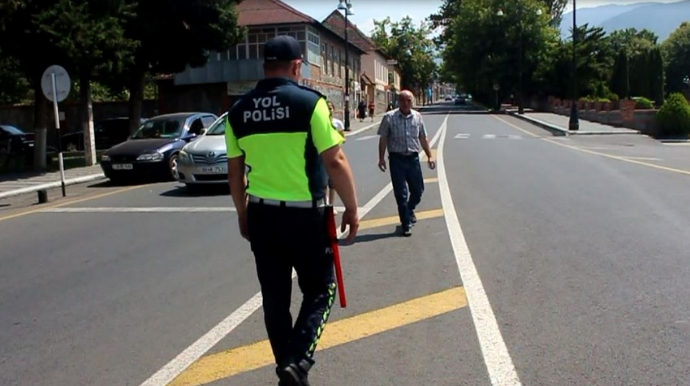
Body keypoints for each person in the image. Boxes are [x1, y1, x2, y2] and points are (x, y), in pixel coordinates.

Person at [225, 35, 360, 386]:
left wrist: (243, 213)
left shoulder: (238, 111)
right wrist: (352, 208)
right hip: (306, 218)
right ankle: (297, 360)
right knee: (321, 289)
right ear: (297, 65)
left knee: (274, 299)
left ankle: (288, 369)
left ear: (264, 66)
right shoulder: (310, 104)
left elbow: (235, 172)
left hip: (262, 216)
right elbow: (336, 160)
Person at [377, 90, 435, 237]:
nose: (406, 103)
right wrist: (381, 158)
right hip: (397, 159)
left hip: (413, 159)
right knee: (401, 194)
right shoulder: (389, 117)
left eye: (408, 100)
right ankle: (406, 222)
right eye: (403, 100)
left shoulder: (418, 117)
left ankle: (409, 209)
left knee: (418, 190)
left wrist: (429, 156)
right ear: (398, 101)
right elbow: (383, 138)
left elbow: (423, 138)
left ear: (412, 101)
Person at [325, 101, 346, 212]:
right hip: (322, 155)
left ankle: (331, 205)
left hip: (333, 154)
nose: (329, 110)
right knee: (323, 181)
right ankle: (325, 203)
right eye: (327, 108)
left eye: (330, 108)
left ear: (333, 109)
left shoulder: (337, 123)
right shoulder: (321, 122)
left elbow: (343, 137)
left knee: (332, 182)